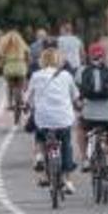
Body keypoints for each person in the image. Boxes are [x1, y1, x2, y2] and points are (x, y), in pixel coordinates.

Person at [26, 48, 80, 193]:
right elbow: (75, 97)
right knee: (66, 144)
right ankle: (67, 180)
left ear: (42, 61)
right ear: (58, 60)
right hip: (63, 119)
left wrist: (28, 106)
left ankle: (39, 157)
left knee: (40, 134)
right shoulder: (67, 75)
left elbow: (28, 99)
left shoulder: (36, 76)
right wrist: (78, 106)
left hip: (43, 120)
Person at [75, 42, 108, 188]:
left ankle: (85, 159)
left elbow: (78, 92)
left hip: (89, 116)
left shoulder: (81, 71)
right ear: (105, 55)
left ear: (89, 55)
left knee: (80, 128)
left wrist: (79, 105)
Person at [0, 31, 30, 113]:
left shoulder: (4, 48)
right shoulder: (23, 46)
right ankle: (23, 99)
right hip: (21, 70)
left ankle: (9, 103)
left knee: (9, 86)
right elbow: (28, 57)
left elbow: (0, 60)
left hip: (9, 71)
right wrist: (27, 62)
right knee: (21, 85)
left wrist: (2, 64)